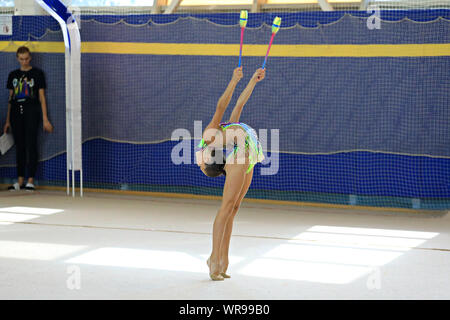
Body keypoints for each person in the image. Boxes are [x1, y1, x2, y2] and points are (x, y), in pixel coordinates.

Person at [196, 66, 265, 280]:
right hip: (246, 154)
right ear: (210, 160)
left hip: (251, 153)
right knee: (226, 208)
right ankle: (214, 261)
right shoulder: (210, 139)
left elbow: (238, 104)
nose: (198, 161)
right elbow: (220, 106)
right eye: (200, 164)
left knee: (233, 209)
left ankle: (223, 261)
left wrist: (252, 80)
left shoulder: (215, 136)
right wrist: (233, 80)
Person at [3, 46, 53, 191]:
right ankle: (19, 180)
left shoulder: (37, 74)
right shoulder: (13, 75)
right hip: (16, 113)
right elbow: (10, 98)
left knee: (31, 144)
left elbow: (42, 97)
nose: (24, 61)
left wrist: (45, 118)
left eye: (26, 59)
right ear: (17, 59)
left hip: (32, 112)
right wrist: (7, 121)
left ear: (30, 58)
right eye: (21, 59)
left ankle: (30, 180)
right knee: (20, 146)